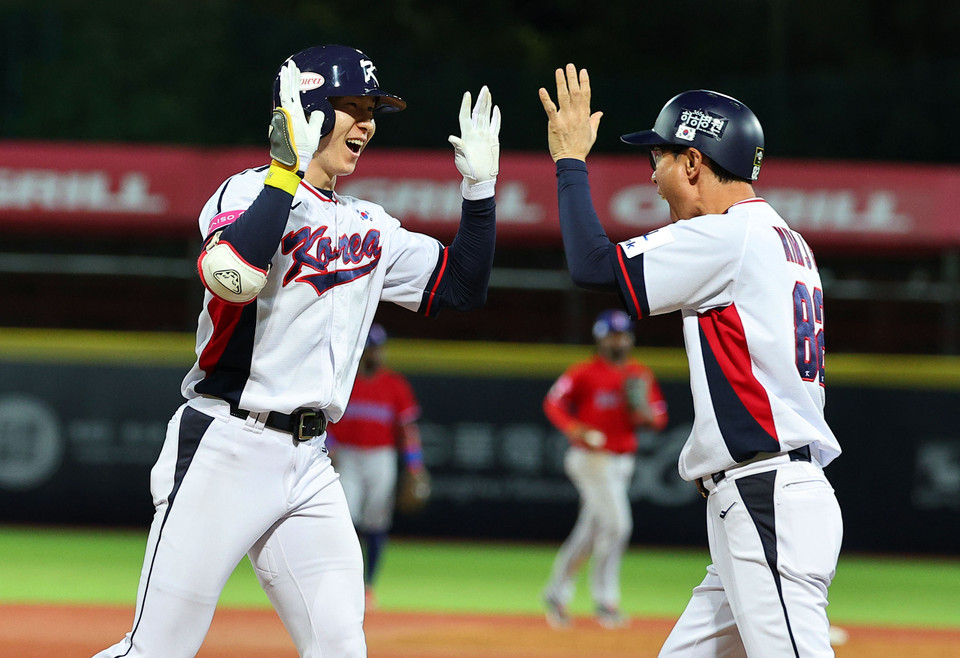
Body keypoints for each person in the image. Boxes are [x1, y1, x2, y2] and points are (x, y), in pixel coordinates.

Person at [94, 44, 500, 658]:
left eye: (373, 111)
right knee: (156, 650)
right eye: (352, 107)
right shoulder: (248, 190)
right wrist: (286, 170)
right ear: (307, 108)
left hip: (310, 461)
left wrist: (479, 190)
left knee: (341, 647)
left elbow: (463, 289)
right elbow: (233, 273)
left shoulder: (371, 223)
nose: (367, 124)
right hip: (226, 445)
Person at [538, 65, 843, 656]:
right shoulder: (785, 237)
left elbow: (593, 265)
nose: (652, 176)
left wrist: (571, 162)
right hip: (760, 499)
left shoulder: (731, 235)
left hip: (766, 495)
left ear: (694, 162)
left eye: (659, 157)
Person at [541, 308, 668, 629]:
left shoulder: (639, 374)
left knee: (591, 532)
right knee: (618, 526)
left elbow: (658, 419)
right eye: (613, 334)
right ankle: (605, 599)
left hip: (622, 463)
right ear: (600, 337)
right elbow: (553, 402)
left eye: (623, 334)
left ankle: (556, 593)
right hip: (590, 459)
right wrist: (575, 428)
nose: (619, 340)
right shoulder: (584, 372)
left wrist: (640, 410)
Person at [327, 322, 428, 610]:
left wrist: (415, 466)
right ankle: (345, 581)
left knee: (376, 522)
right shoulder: (343, 380)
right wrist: (330, 447)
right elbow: (324, 420)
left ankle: (368, 586)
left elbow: (407, 430)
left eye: (378, 348)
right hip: (347, 457)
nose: (375, 354)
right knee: (346, 519)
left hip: (381, 457)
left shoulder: (395, 384)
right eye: (371, 348)